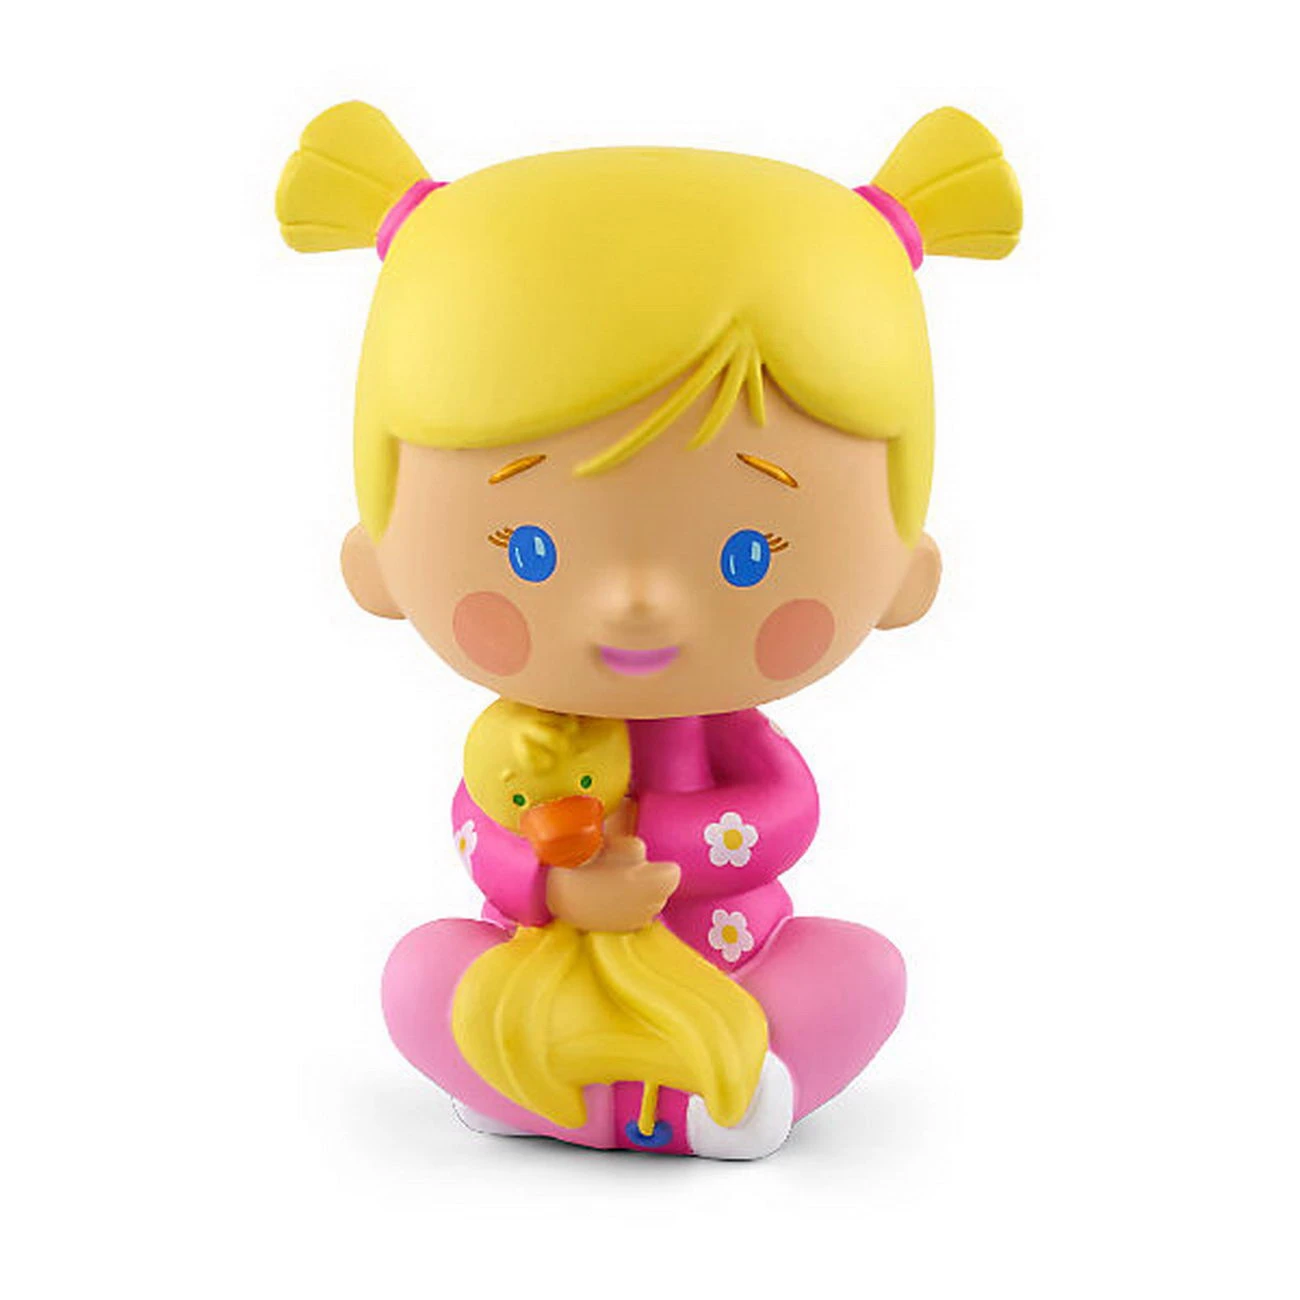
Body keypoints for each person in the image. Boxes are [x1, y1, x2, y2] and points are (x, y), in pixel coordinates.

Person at [277, 101, 1021, 1156]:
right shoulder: (519, 747)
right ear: (377, 559)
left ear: (905, 572)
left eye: (747, 553)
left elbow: (785, 810)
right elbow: (479, 821)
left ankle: (618, 1087)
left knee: (861, 969)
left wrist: (653, 855)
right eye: (530, 548)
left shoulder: (732, 740)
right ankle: (629, 1093)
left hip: (735, 957)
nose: (635, 602)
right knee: (419, 974)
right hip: (543, 964)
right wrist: (558, 882)